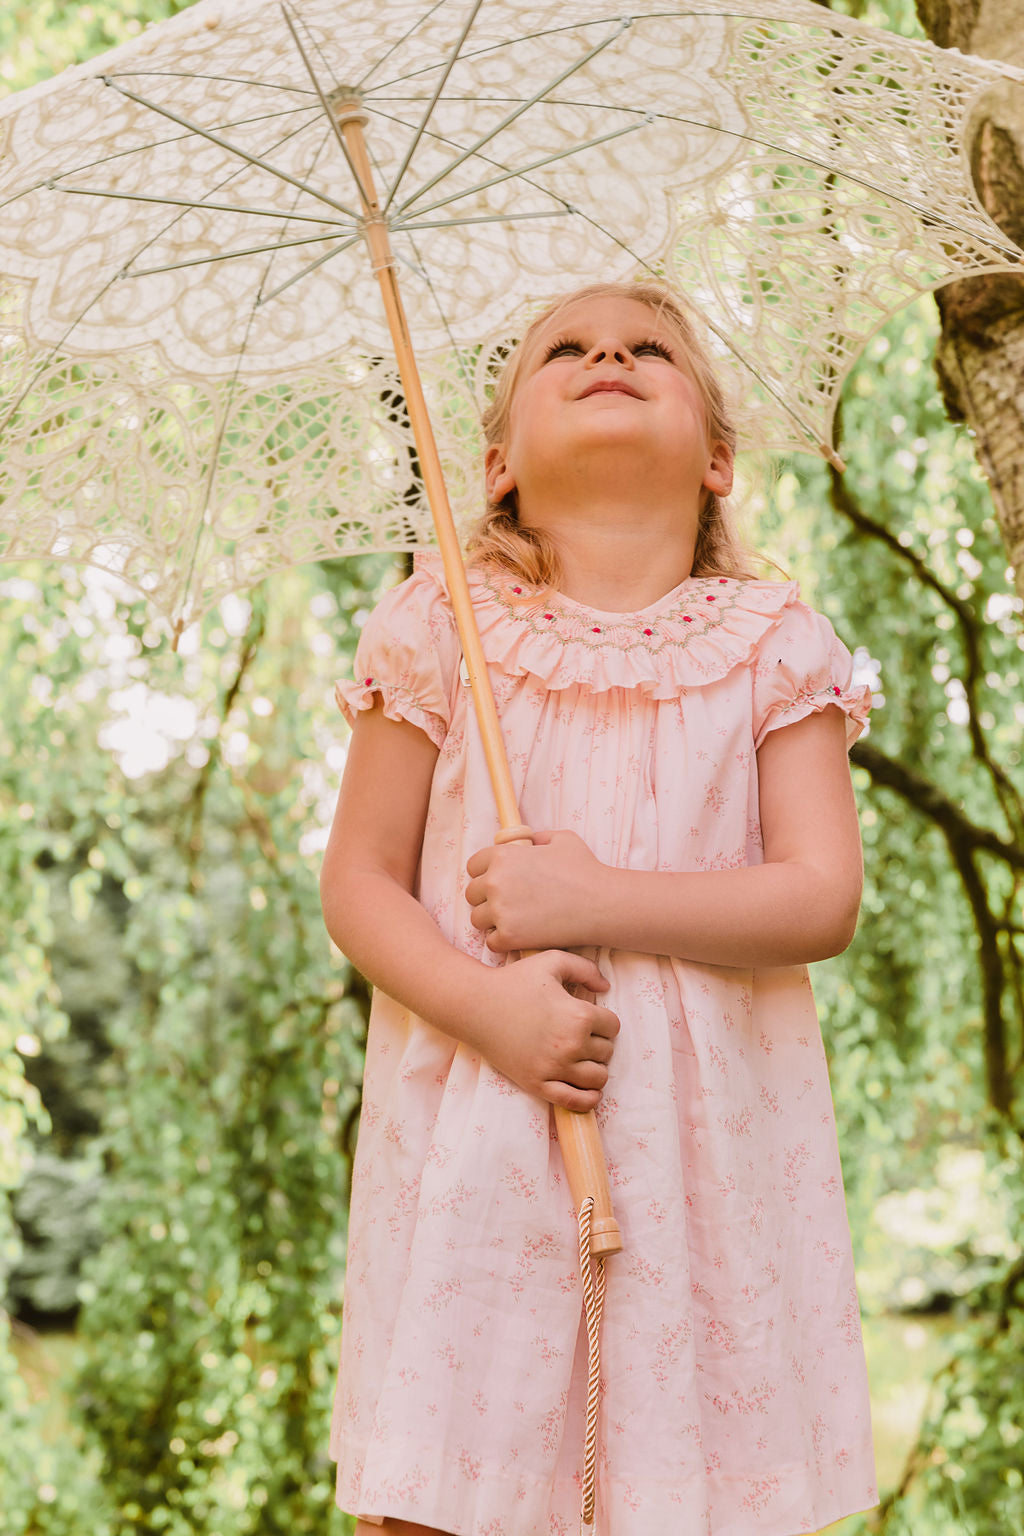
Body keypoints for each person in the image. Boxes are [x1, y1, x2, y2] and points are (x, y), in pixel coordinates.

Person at [320, 280, 878, 1536]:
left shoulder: (774, 643)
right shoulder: (435, 629)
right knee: (447, 1494)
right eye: (562, 349)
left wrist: (595, 898)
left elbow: (819, 893)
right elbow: (357, 882)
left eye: (648, 350)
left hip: (702, 1165)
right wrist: (485, 1008)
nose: (606, 355)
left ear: (721, 460)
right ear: (500, 460)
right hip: (482, 1133)